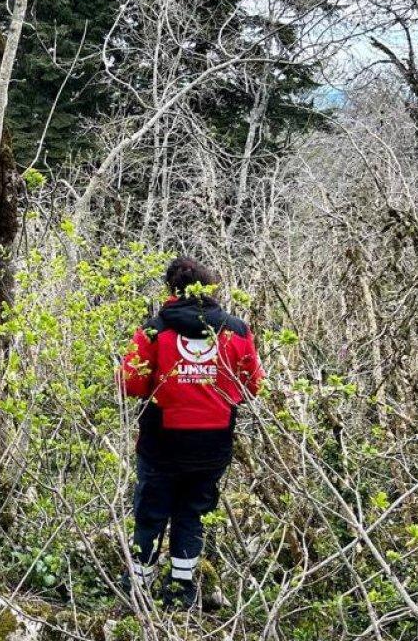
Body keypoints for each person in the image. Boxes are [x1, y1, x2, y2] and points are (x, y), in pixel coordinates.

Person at [118, 257, 263, 610]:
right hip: (213, 445)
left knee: (151, 511)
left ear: (172, 290)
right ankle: (181, 588)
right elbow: (252, 385)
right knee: (192, 514)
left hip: (161, 443)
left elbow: (130, 383)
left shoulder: (154, 330)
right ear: (209, 288)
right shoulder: (236, 330)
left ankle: (139, 585)